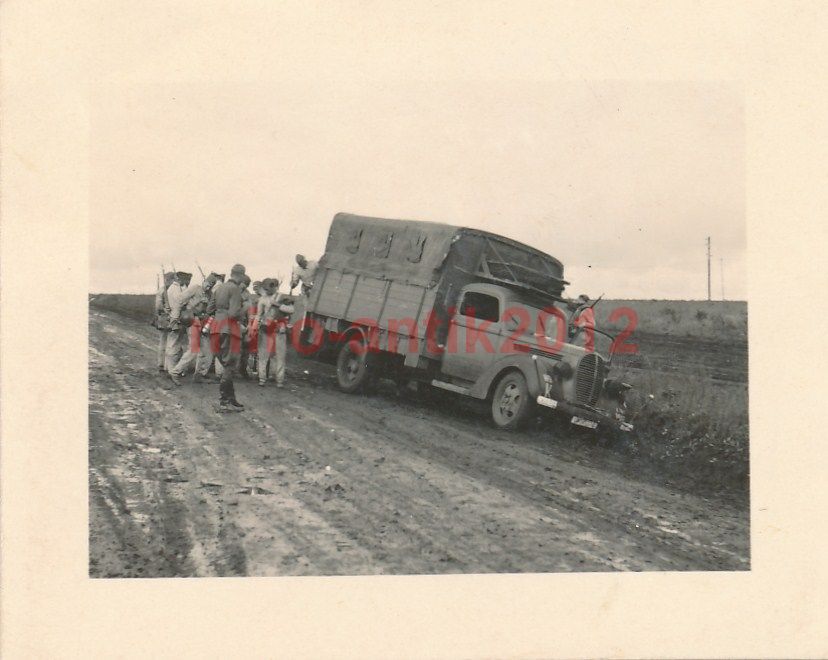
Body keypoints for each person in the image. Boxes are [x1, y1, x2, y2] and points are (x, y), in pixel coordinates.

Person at [167, 273, 220, 384]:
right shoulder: (195, 288)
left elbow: (210, 309)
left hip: (203, 323)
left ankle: (200, 375)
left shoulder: (210, 295)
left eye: (211, 286)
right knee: (193, 349)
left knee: (207, 350)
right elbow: (180, 300)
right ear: (204, 281)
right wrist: (175, 318)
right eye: (207, 284)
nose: (208, 287)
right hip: (192, 320)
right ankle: (175, 372)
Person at [211, 264, 247, 412]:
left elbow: (210, 308)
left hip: (216, 328)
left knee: (226, 365)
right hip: (229, 329)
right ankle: (224, 401)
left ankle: (231, 398)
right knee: (230, 365)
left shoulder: (219, 288)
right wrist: (244, 310)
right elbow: (233, 314)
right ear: (241, 275)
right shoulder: (235, 289)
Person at [257, 278, 294, 387]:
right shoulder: (262, 299)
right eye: (265, 289)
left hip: (279, 330)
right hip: (266, 329)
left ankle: (279, 380)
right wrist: (254, 327)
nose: (267, 291)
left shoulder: (282, 297)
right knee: (263, 355)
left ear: (274, 287)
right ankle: (262, 378)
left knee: (279, 356)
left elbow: (291, 310)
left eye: (268, 288)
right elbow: (259, 315)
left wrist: (278, 305)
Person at [164, 271, 200, 377]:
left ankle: (169, 368)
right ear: (181, 279)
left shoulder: (172, 288)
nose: (188, 282)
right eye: (187, 280)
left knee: (173, 344)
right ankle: (172, 370)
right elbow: (179, 303)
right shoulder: (176, 289)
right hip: (177, 319)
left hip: (174, 317)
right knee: (174, 345)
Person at [154, 271, 175, 373]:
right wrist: (165, 310)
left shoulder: (164, 290)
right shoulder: (164, 290)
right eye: (172, 279)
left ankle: (162, 364)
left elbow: (158, 306)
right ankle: (164, 364)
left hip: (164, 318)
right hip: (165, 318)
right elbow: (158, 306)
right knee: (166, 342)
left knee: (164, 341)